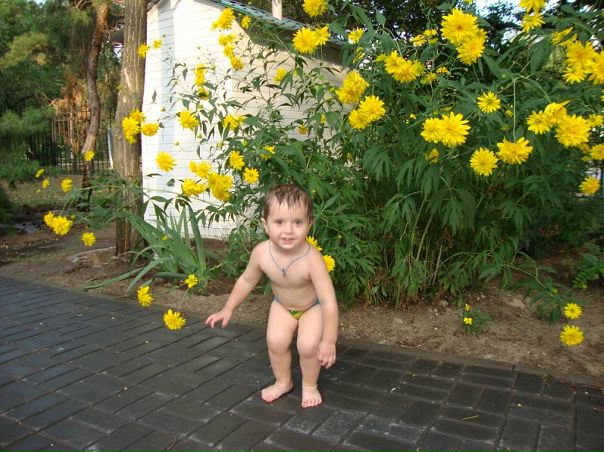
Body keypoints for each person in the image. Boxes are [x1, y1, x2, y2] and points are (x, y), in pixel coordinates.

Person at [205, 184, 339, 408]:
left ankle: (309, 386)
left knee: (308, 346)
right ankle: (283, 381)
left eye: (298, 222)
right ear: (265, 224)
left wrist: (329, 340)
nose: (288, 230)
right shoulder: (261, 253)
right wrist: (228, 308)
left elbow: (328, 300)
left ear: (309, 224)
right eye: (279, 222)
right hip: (282, 306)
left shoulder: (312, 259)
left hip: (311, 307)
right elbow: (246, 281)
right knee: (275, 342)